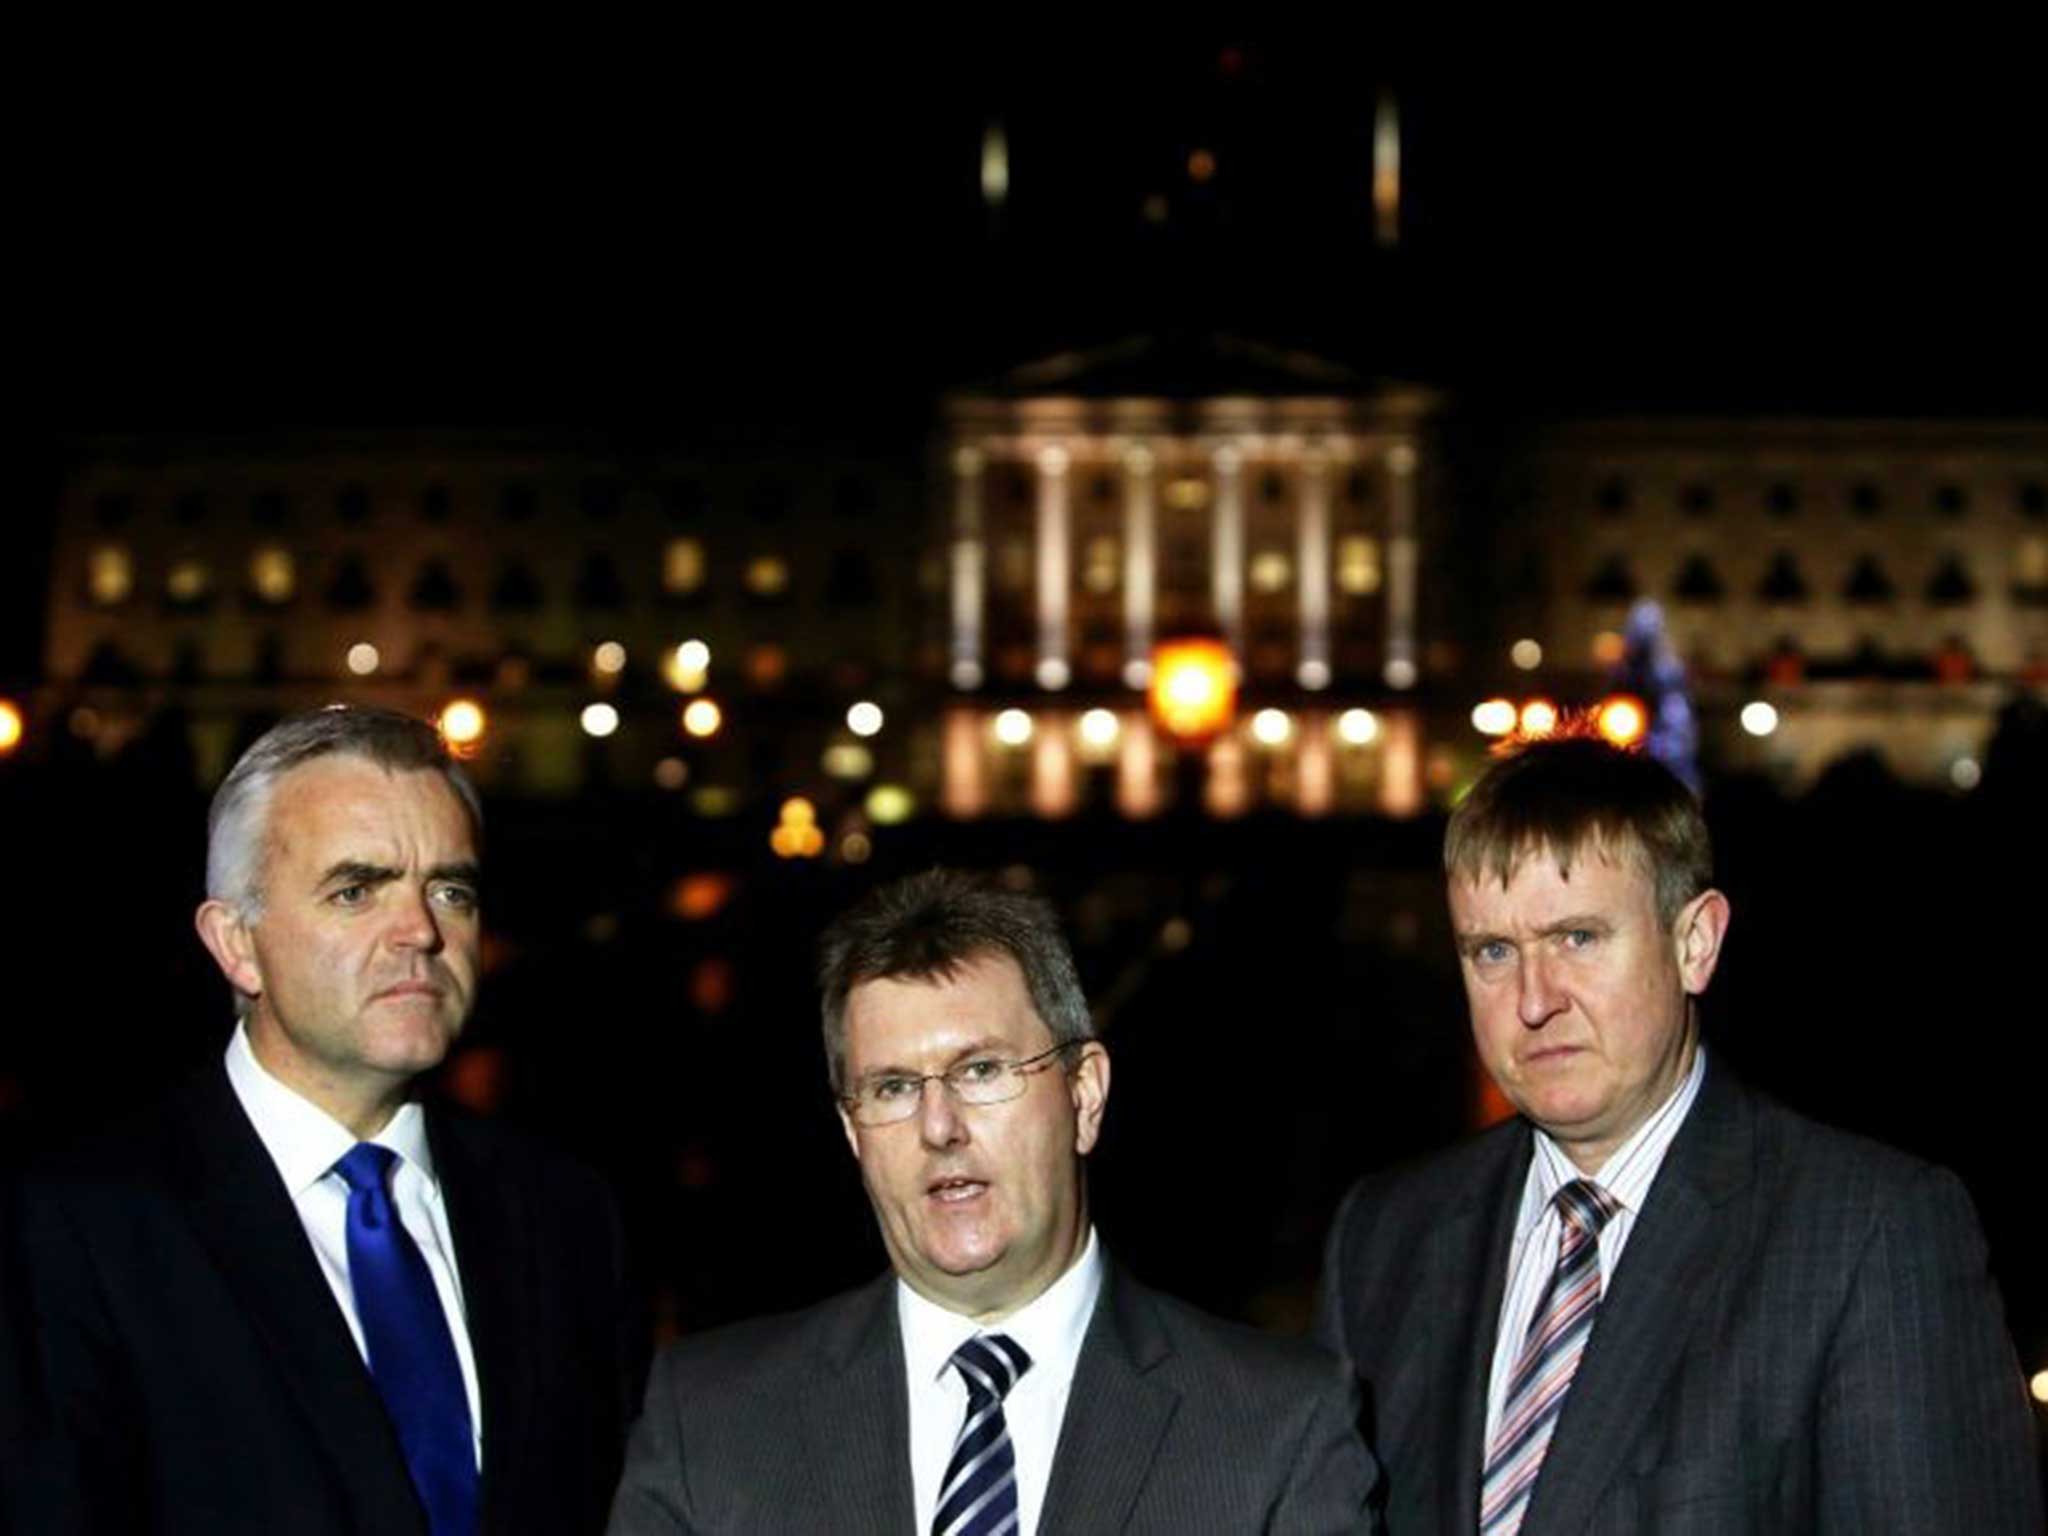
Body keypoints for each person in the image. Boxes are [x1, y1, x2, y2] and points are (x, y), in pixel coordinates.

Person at [1316, 732, 2042, 1534]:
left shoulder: (1869, 1235)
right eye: (1492, 951)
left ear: (1695, 943)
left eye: (1577, 939)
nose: (1533, 1000)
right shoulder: (1385, 1238)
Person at [2, 706, 634, 1535]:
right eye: (355, 889)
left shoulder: (566, 1212)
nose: (420, 931)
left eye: (450, 888)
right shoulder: (77, 1226)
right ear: (236, 944)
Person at [610, 868, 1379, 1534]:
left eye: (981, 1072)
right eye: (894, 1088)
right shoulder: (710, 1422)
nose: (938, 1127)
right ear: (852, 1130)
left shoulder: (1279, 1428)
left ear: (1084, 1095)